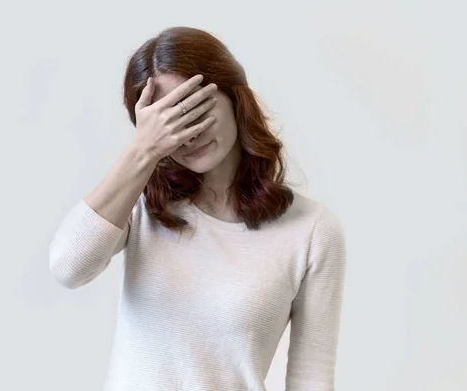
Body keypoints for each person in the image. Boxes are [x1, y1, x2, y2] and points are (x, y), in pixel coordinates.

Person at [49, 26, 347, 391]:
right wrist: (142, 152)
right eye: (167, 120)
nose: (187, 134)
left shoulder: (312, 230)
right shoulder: (140, 205)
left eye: (191, 109)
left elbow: (311, 377)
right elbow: (68, 268)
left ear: (235, 96)